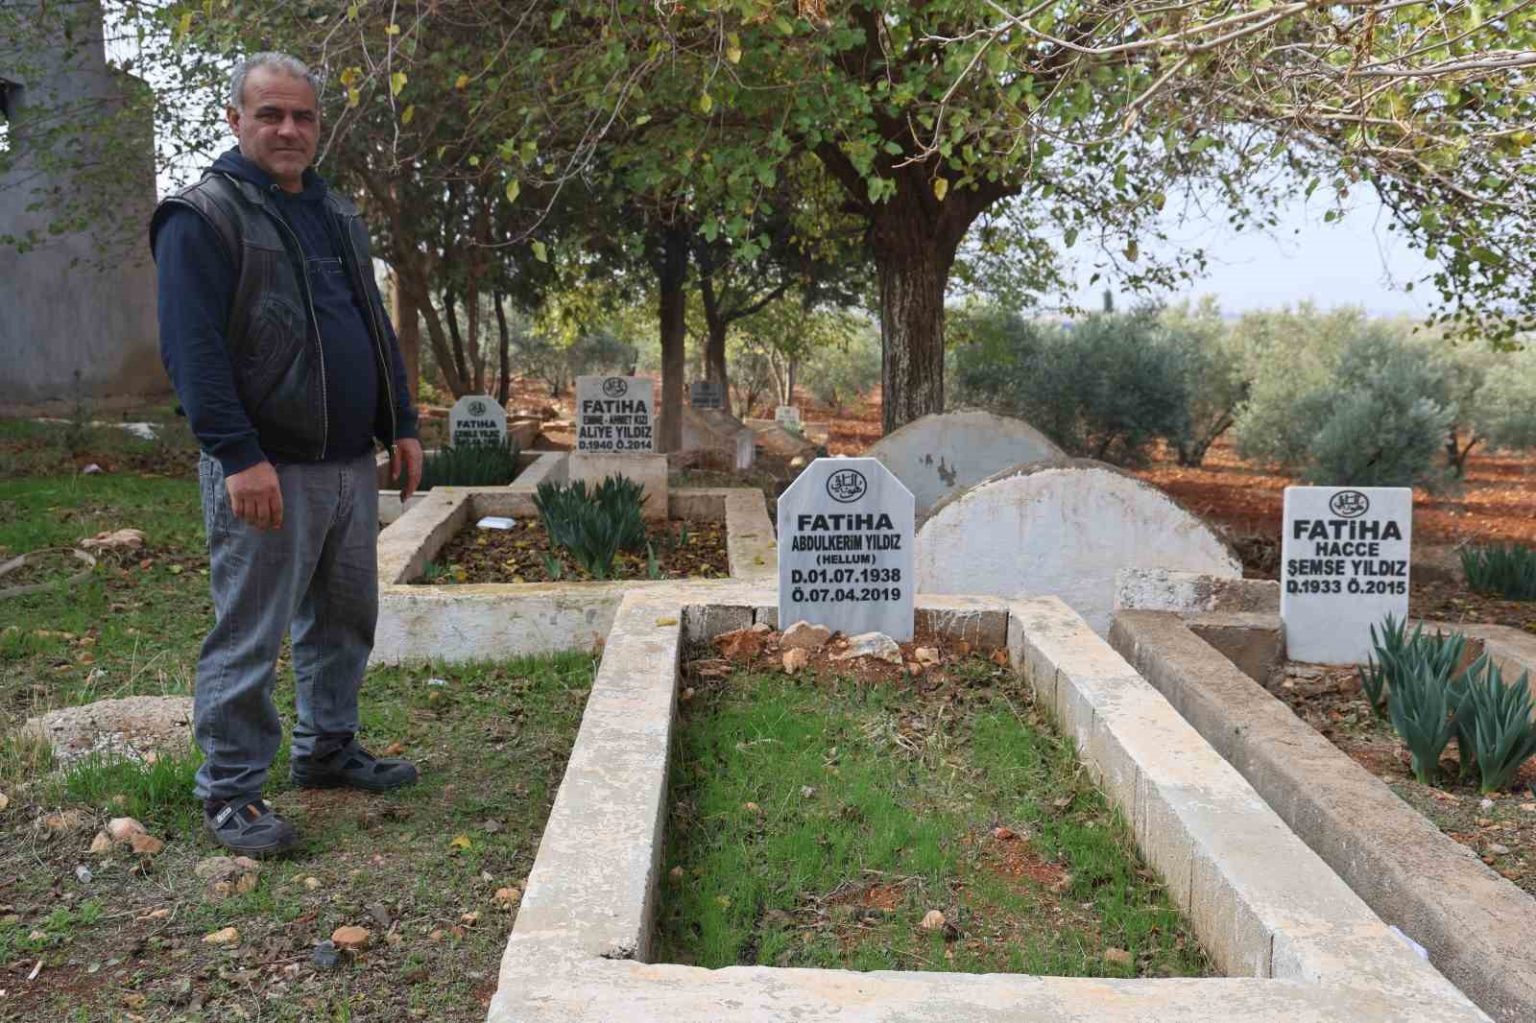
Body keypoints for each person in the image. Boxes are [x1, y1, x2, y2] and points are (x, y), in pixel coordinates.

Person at [151, 52, 423, 857]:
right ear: (235, 120)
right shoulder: (202, 217)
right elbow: (193, 350)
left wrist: (402, 422)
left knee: (344, 619)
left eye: (302, 116)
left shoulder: (334, 211)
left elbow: (370, 322)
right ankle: (231, 790)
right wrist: (237, 455)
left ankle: (327, 747)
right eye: (269, 114)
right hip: (265, 467)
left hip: (346, 462)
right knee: (250, 631)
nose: (288, 129)